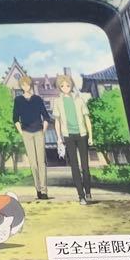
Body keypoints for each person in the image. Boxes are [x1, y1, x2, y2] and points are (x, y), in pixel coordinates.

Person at [54, 73, 95, 204]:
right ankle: (81, 195)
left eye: (67, 85)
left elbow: (87, 118)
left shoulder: (79, 99)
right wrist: (59, 138)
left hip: (82, 134)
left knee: (85, 166)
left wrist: (90, 136)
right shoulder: (57, 102)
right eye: (62, 86)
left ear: (71, 85)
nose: (65, 88)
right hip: (68, 135)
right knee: (74, 167)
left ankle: (88, 191)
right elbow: (57, 121)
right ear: (59, 87)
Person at [12, 75, 51, 200]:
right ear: (21, 86)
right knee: (33, 164)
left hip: (38, 132)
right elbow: (15, 119)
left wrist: (43, 130)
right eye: (23, 85)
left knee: (41, 162)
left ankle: (44, 191)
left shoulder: (37, 99)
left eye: (27, 84)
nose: (26, 87)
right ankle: (38, 189)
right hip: (26, 133)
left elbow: (46, 116)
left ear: (30, 85)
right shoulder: (18, 100)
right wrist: (21, 132)